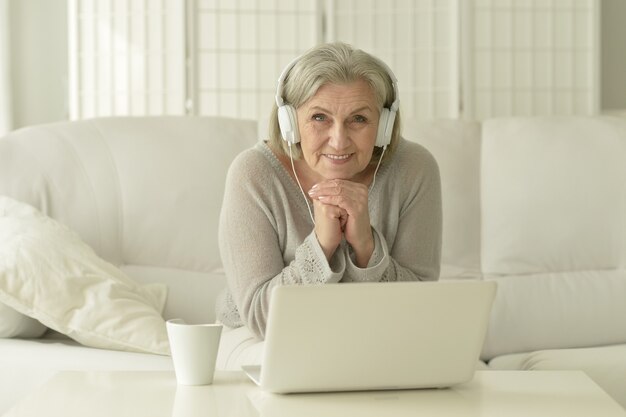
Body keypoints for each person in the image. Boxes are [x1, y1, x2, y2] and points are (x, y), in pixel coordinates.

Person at [216, 42, 442, 339]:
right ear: (290, 123)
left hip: (374, 339)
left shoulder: (415, 168)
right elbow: (261, 317)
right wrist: (321, 246)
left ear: (384, 126)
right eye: (319, 117)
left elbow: (421, 308)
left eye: (359, 119)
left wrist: (367, 248)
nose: (338, 141)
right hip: (260, 340)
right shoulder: (253, 173)